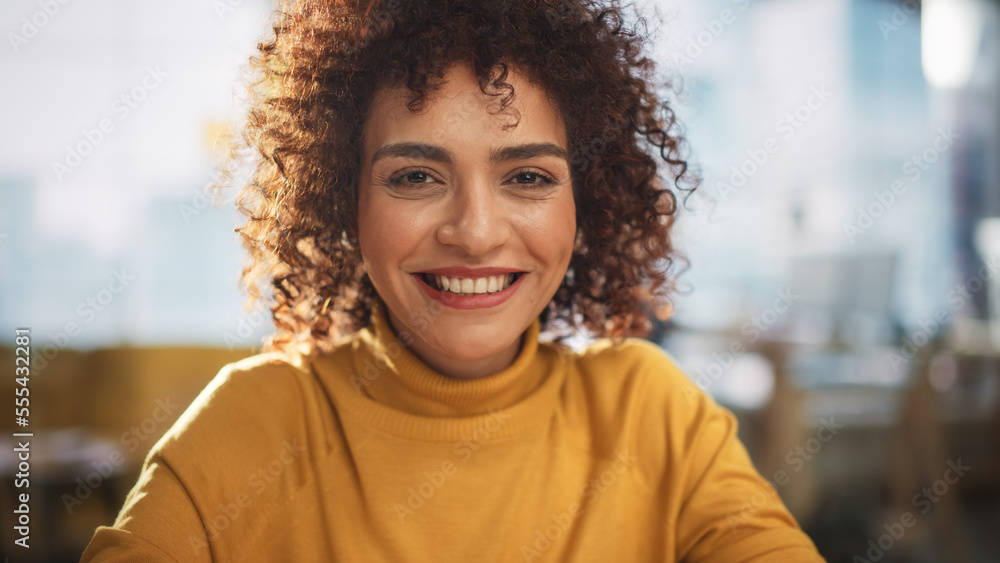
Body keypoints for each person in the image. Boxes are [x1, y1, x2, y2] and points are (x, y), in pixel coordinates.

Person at [81, 0, 826, 560]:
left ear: (585, 198)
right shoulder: (254, 424)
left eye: (528, 176)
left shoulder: (654, 415)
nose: (474, 231)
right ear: (347, 200)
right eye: (415, 176)